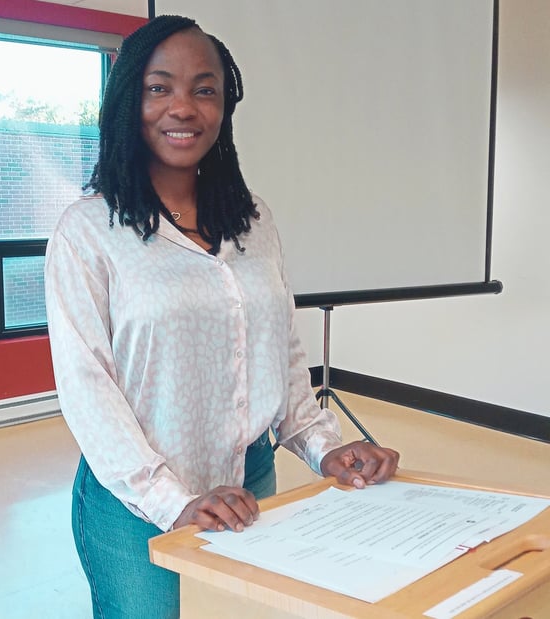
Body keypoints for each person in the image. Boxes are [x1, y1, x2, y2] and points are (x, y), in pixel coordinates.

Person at [45, 14, 400, 619]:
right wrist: (170, 501)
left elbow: (279, 351)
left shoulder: (253, 219)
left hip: (246, 479)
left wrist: (322, 449)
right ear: (130, 99)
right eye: (160, 88)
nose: (183, 107)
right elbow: (87, 387)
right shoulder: (88, 232)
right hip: (136, 499)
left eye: (203, 89)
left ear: (224, 106)